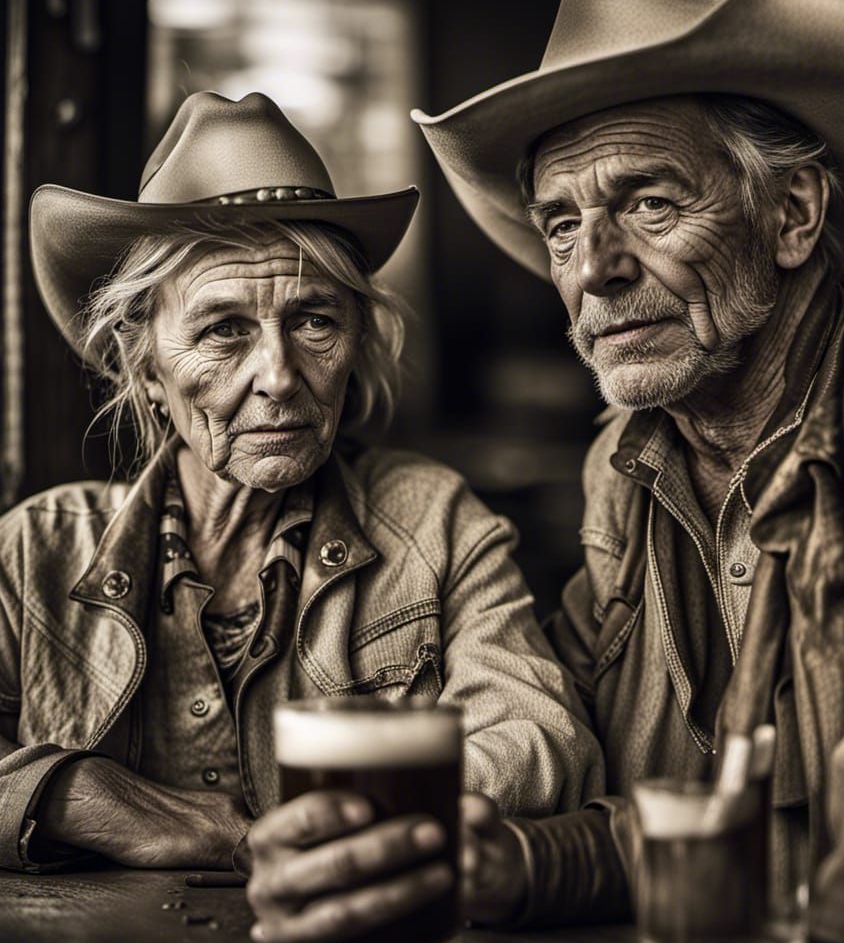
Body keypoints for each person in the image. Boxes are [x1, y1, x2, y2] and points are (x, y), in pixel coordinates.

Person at [249, 0, 844, 943]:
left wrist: (561, 861)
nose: (591, 270)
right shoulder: (626, 463)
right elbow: (609, 775)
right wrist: (489, 854)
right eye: (560, 223)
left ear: (792, 215)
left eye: (648, 203)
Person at [0, 92, 603, 891]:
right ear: (146, 369)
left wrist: (318, 831)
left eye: (315, 320)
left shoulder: (434, 519)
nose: (279, 377)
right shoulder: (38, 550)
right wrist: (89, 796)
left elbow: (541, 740)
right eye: (224, 330)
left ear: (355, 342)